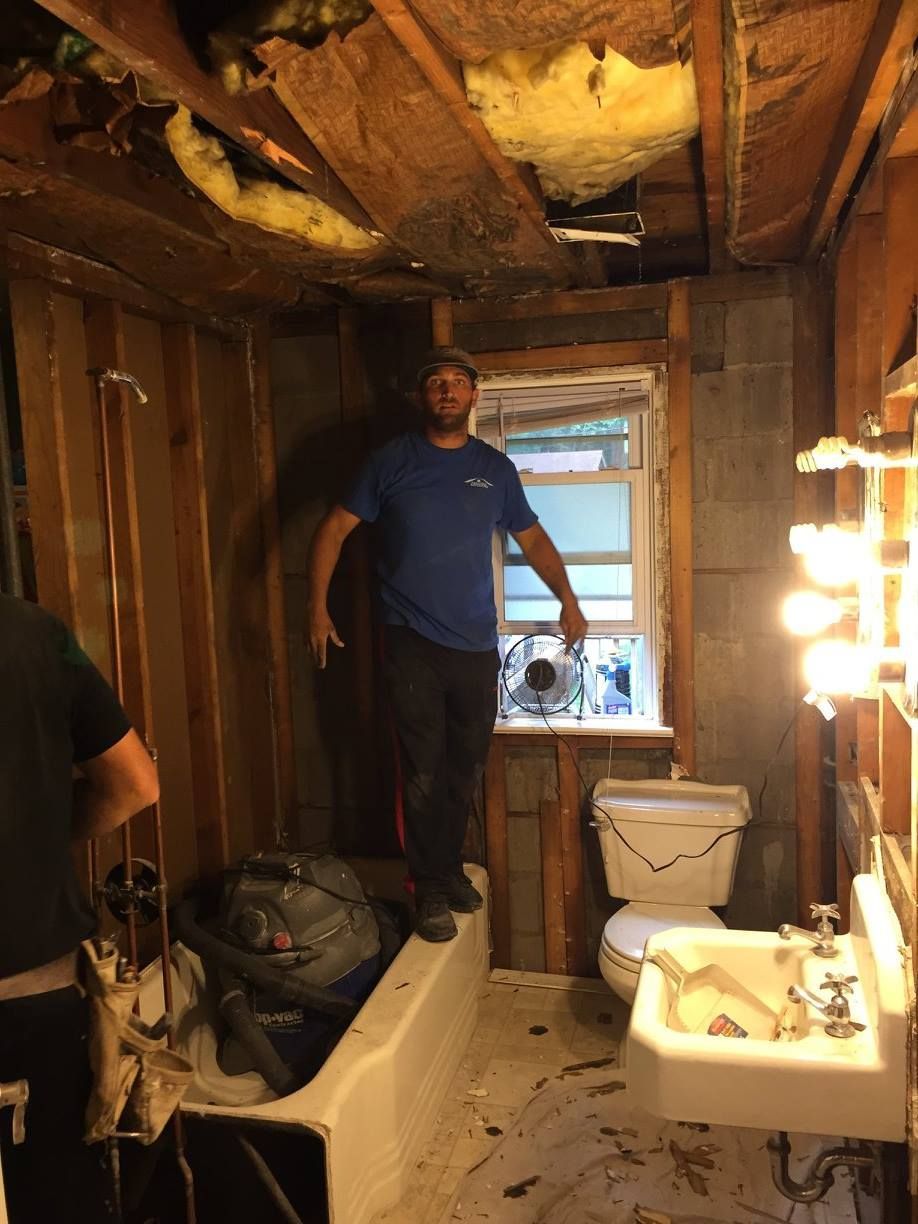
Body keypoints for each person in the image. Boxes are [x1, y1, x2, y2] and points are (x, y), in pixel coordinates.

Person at [306, 346, 588, 942]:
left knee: (465, 767)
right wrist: (316, 608)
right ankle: (427, 888)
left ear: (474, 397)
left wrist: (568, 597)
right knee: (423, 771)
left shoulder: (495, 469)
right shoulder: (391, 462)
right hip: (410, 641)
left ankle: (449, 868)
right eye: (436, 382)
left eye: (458, 383)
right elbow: (332, 528)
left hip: (475, 644)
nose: (447, 391)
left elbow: (533, 540)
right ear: (421, 396)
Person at [0, 593, 160, 1223]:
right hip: (37, 990)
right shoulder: (35, 633)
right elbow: (135, 784)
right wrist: (39, 837)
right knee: (58, 1195)